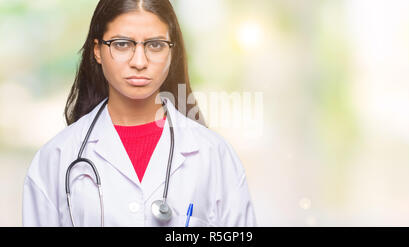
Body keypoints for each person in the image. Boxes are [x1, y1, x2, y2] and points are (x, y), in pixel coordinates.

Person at [22, 0, 257, 227]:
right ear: (97, 51)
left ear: (172, 52)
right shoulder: (56, 158)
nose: (139, 61)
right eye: (122, 44)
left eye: (155, 45)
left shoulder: (213, 155)